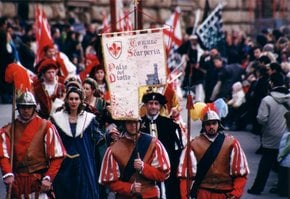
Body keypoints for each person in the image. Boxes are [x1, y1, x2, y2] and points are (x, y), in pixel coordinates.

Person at [0, 91, 66, 198]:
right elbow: (3, 155)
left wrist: (48, 177)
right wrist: (7, 173)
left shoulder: (47, 127)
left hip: (39, 182)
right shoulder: (8, 130)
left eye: (29, 107)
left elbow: (57, 156)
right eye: (23, 107)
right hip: (18, 182)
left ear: (34, 108)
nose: (26, 110)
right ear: (18, 108)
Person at [177, 109, 249, 199]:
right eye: (208, 124)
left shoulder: (232, 143)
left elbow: (240, 173)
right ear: (204, 126)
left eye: (214, 123)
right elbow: (185, 176)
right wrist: (185, 196)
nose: (211, 126)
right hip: (203, 193)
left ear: (219, 124)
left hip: (225, 193)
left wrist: (235, 193)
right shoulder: (193, 145)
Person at [50, 86, 106, 199]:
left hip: (84, 164)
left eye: (76, 99)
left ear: (81, 100)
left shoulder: (89, 119)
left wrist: (111, 135)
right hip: (64, 165)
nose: (73, 102)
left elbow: (99, 138)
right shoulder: (57, 119)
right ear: (66, 100)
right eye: (71, 99)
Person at [99, 118, 171, 199]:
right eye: (129, 122)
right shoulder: (113, 149)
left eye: (136, 122)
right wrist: (129, 188)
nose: (133, 125)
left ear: (140, 123)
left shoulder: (153, 143)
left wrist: (144, 168)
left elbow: (163, 174)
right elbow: (109, 182)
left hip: (150, 196)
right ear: (124, 124)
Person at [248, 72, 290, 195]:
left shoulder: (267, 100)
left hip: (271, 135)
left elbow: (262, 119)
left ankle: (257, 188)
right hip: (286, 136)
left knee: (265, 163)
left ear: (271, 83)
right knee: (283, 162)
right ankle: (283, 189)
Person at [140, 92, 184, 199]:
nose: (153, 106)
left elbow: (177, 150)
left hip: (166, 170)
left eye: (156, 103)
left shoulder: (170, 125)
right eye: (150, 103)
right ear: (145, 105)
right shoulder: (138, 124)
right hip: (143, 169)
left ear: (160, 106)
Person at [276, 111, 290, 197]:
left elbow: (287, 148)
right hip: (286, 160)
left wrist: (280, 156)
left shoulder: (288, 133)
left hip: (286, 160)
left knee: (285, 178)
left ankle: (283, 191)